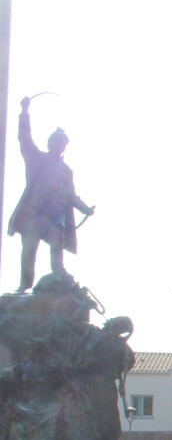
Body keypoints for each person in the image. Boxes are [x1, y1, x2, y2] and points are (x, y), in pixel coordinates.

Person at [8, 96, 95, 294]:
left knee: (57, 249)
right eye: (56, 142)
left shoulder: (66, 171)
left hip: (56, 219)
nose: (59, 146)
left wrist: (85, 208)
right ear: (50, 143)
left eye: (62, 143)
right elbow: (24, 138)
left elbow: (71, 195)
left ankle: (59, 277)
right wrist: (24, 112)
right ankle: (24, 285)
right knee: (29, 250)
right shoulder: (37, 160)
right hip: (34, 215)